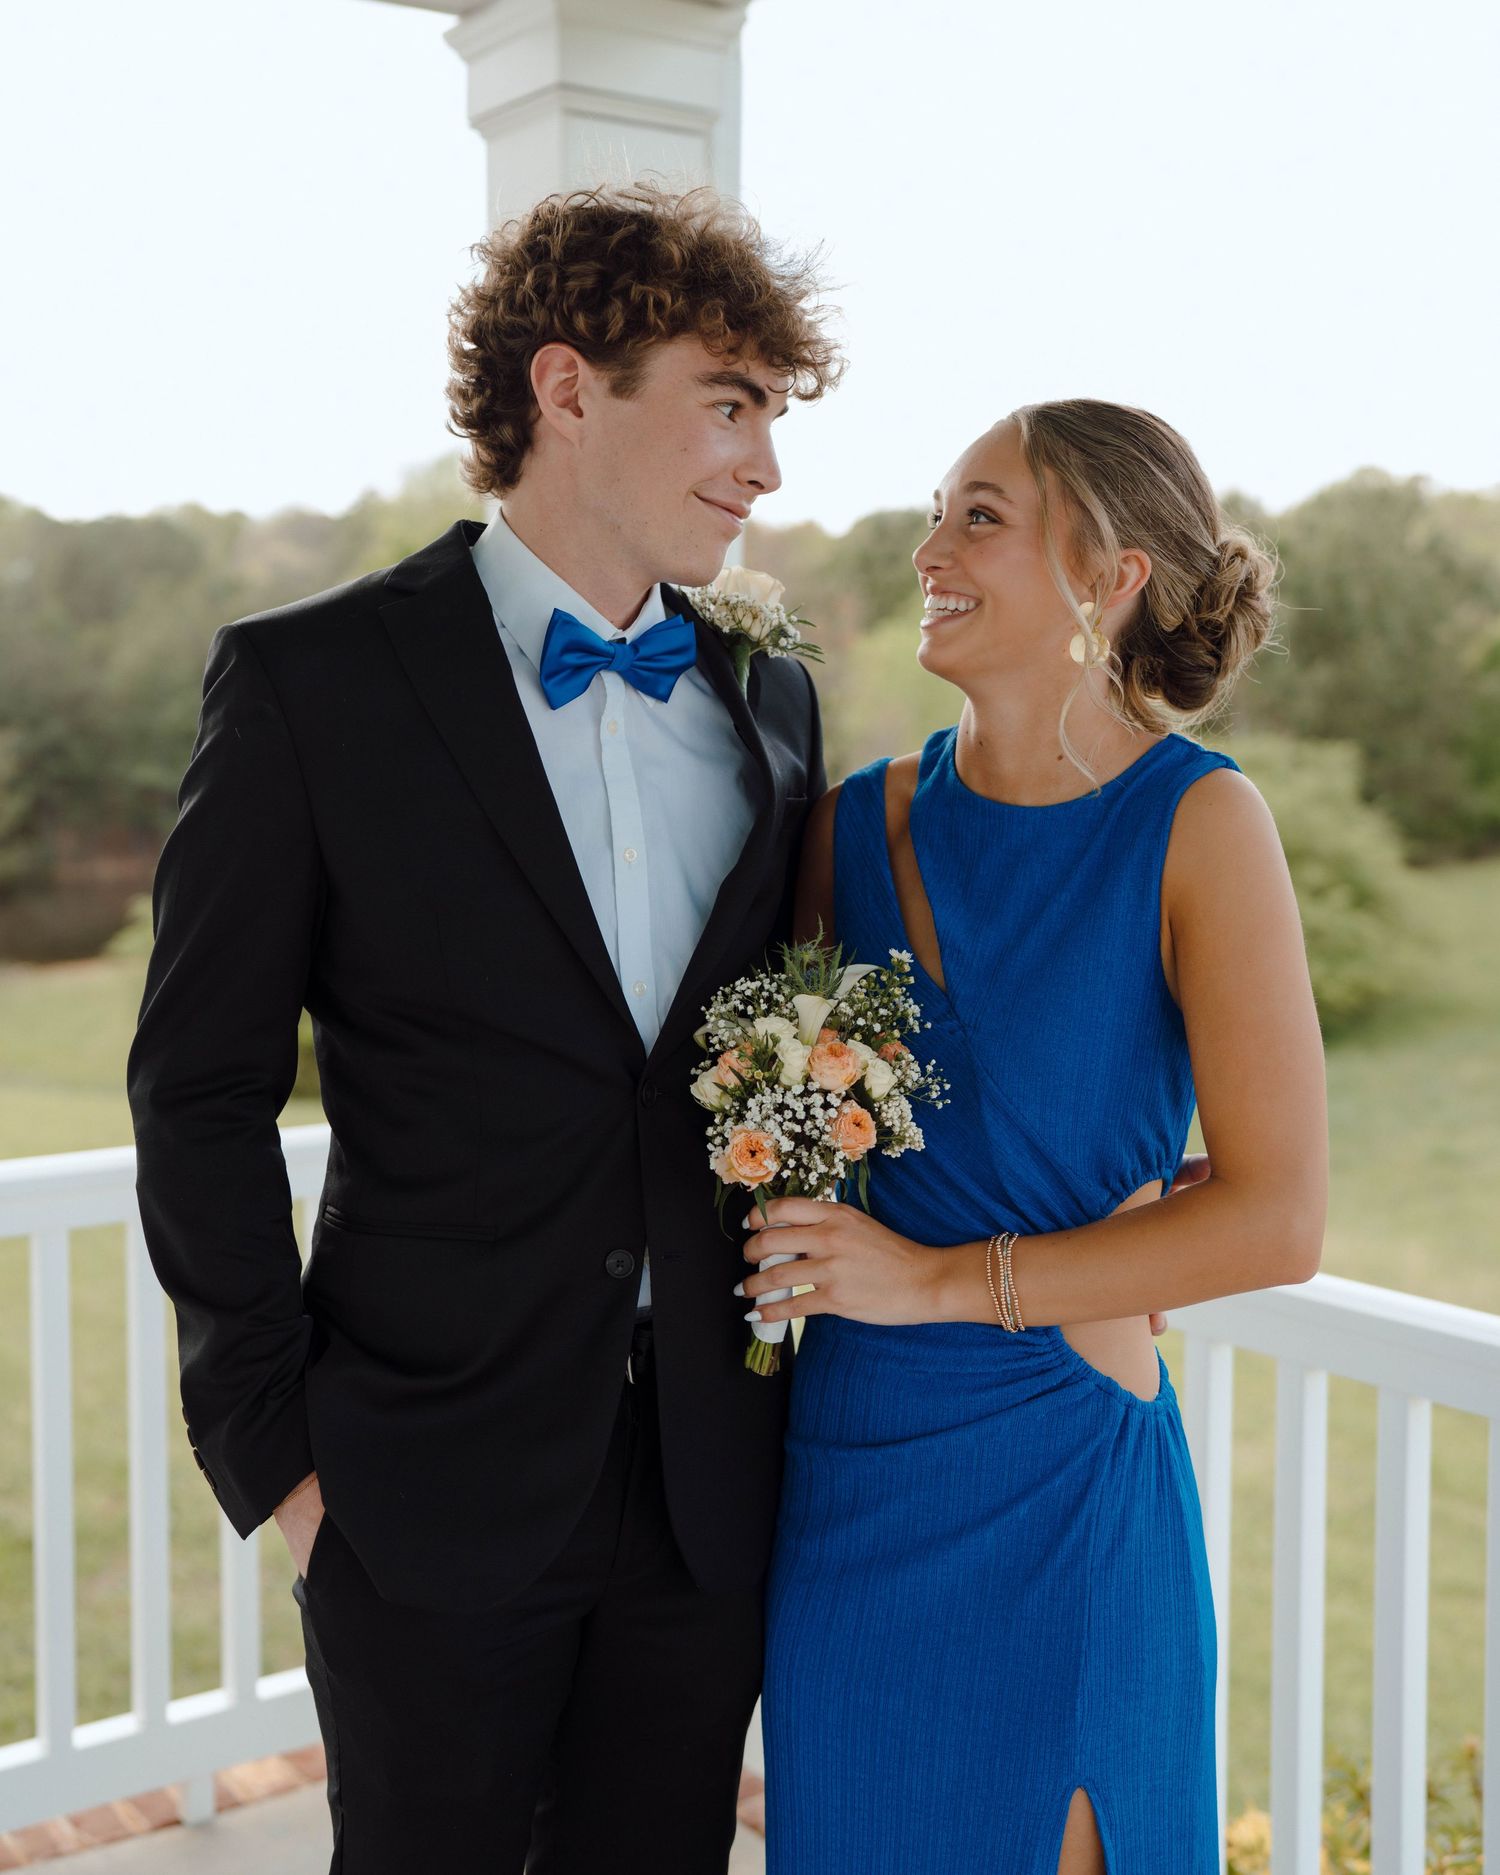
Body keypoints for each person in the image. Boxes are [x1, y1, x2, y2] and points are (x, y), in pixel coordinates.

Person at [125, 182, 841, 1875]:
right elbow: (200, 1086)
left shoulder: (772, 699)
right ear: (568, 386)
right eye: (727, 404)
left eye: (772, 418)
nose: (764, 467)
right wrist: (283, 1461)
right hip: (417, 1486)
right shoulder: (313, 685)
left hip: (709, 1485)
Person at [744, 401, 1329, 1872]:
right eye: (936, 510)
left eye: (980, 516)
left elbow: (1278, 1220)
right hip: (853, 1485)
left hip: (1065, 1487)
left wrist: (936, 1280)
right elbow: (773, 1130)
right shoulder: (846, 826)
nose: (928, 546)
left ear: (1112, 575)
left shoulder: (1200, 824)